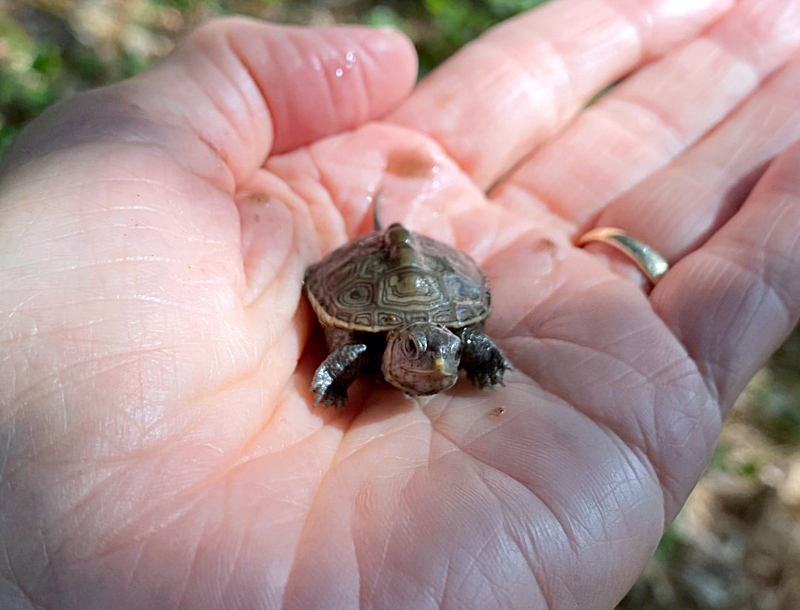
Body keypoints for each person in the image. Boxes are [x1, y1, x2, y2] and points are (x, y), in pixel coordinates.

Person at [1, 0, 799, 608]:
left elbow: (464, 341)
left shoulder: (451, 343)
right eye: (426, 353)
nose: (435, 358)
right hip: (371, 289)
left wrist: (480, 352)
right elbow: (350, 346)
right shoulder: (371, 343)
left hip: (439, 283)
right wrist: (334, 373)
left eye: (441, 352)